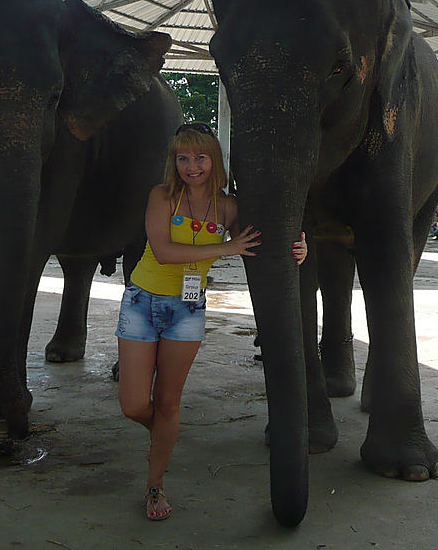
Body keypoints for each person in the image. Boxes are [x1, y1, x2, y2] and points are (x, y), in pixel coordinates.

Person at [115, 122, 307, 521]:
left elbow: (264, 243)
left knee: (168, 403)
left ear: (214, 160)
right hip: (141, 301)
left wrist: (300, 247)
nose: (191, 166)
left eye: (199, 157)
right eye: (182, 158)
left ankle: (155, 486)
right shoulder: (162, 196)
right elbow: (164, 251)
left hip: (187, 310)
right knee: (134, 404)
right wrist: (227, 247)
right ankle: (165, 436)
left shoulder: (230, 208)